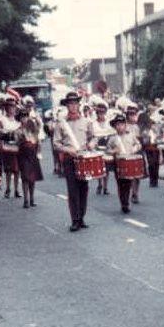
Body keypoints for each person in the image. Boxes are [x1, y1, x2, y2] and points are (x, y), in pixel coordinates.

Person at [53, 92, 95, 232]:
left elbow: (93, 138)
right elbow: (56, 144)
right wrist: (67, 150)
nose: (73, 106)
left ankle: (82, 217)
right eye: (70, 103)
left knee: (84, 188)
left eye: (75, 103)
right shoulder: (61, 124)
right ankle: (75, 220)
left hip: (83, 158)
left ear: (79, 105)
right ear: (67, 105)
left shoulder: (87, 121)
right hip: (69, 159)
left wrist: (91, 145)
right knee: (73, 190)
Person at [106, 113, 141, 213]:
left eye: (121, 124)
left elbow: (138, 144)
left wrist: (134, 149)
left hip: (129, 161)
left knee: (128, 183)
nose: (120, 126)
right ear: (115, 127)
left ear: (125, 126)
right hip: (118, 163)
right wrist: (113, 151)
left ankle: (126, 202)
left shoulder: (131, 135)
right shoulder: (112, 138)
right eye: (117, 125)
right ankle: (124, 203)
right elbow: (107, 150)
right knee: (120, 184)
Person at [15, 108, 44, 208]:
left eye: (26, 117)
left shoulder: (33, 129)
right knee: (25, 178)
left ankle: (32, 199)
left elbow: (38, 137)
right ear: (20, 119)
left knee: (33, 178)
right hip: (23, 155)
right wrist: (23, 139)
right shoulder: (18, 131)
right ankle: (25, 200)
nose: (25, 119)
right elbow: (17, 143)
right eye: (23, 117)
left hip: (33, 155)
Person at [0, 96, 21, 199]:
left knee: (17, 169)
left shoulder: (18, 120)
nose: (11, 108)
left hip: (17, 146)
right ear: (6, 108)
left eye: (13, 106)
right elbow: (0, 132)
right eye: (9, 107)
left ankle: (16, 189)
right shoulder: (2, 119)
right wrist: (9, 132)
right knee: (8, 170)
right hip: (7, 146)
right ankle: (7, 188)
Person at [91, 101, 114, 195]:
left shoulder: (109, 123)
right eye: (99, 113)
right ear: (97, 113)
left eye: (102, 113)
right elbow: (92, 135)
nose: (101, 115)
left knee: (106, 168)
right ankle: (99, 184)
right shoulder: (93, 123)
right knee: (99, 167)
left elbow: (113, 133)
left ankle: (105, 186)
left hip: (107, 147)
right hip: (97, 147)